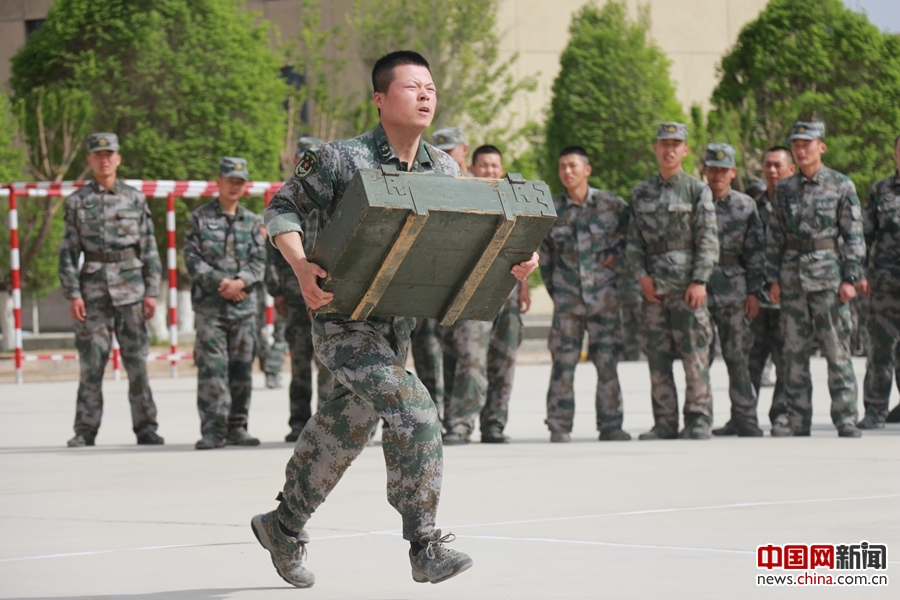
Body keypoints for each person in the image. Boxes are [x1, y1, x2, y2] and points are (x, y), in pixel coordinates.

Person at [254, 50, 539, 587]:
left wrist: (514, 260)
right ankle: (424, 543)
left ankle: (282, 524)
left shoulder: (444, 169)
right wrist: (298, 265)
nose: (426, 95)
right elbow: (280, 207)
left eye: (430, 86)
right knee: (416, 411)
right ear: (381, 99)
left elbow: (466, 241)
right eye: (413, 86)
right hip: (342, 322)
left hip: (395, 329)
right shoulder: (339, 159)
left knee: (342, 431)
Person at [59, 132, 164, 447]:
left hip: (131, 291)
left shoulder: (134, 198)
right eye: (98, 155)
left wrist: (151, 290)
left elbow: (148, 246)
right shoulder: (77, 202)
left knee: (137, 363)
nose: (104, 160)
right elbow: (67, 252)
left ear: (118, 158)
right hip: (93, 294)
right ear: (90, 160)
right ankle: (85, 430)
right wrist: (73, 293)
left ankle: (146, 427)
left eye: (110, 154)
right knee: (91, 365)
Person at [766, 122, 864, 438]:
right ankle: (797, 418)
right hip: (792, 279)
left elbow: (853, 235)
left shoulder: (841, 185)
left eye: (807, 143)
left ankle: (846, 416)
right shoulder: (784, 190)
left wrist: (851, 276)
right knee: (793, 353)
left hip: (829, 279)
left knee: (837, 351)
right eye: (796, 143)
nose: (801, 148)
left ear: (821, 146)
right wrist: (773, 278)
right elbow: (775, 237)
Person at [625, 122, 719, 440]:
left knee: (695, 357)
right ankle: (664, 422)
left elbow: (708, 238)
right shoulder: (641, 192)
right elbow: (634, 241)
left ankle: (699, 419)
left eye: (675, 144)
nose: (669, 149)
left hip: (686, 289)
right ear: (655, 148)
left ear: (685, 150)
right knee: (657, 359)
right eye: (663, 143)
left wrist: (700, 281)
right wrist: (641, 277)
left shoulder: (696, 190)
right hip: (654, 291)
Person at [539, 145, 630, 443]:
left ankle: (611, 424)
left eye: (573, 166)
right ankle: (559, 425)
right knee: (563, 365)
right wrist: (558, 291)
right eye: (562, 166)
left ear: (587, 170)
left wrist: (617, 256)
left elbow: (635, 235)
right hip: (568, 302)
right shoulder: (552, 210)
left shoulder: (611, 204)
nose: (567, 171)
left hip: (604, 298)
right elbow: (547, 256)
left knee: (607, 363)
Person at [184, 157, 267, 450]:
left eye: (240, 181)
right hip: (211, 308)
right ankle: (212, 430)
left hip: (244, 309)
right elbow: (192, 260)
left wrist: (241, 282)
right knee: (212, 370)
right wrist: (223, 283)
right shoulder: (200, 219)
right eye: (230, 179)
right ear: (218, 181)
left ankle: (237, 427)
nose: (234, 185)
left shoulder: (254, 222)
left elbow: (260, 260)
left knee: (242, 369)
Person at [267, 136, 335, 443]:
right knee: (299, 363)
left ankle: (325, 424)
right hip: (294, 297)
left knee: (328, 364)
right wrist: (277, 291)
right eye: (301, 158)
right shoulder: (289, 201)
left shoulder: (333, 199)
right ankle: (298, 423)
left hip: (326, 295)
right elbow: (272, 252)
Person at [701, 144, 766, 437]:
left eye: (723, 169)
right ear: (704, 170)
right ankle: (699, 418)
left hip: (735, 291)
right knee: (699, 358)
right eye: (712, 168)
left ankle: (745, 418)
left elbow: (755, 254)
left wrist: (754, 292)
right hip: (699, 288)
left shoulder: (745, 205)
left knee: (738, 356)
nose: (717, 174)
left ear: (733, 172)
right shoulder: (694, 202)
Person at [474, 145, 530, 443]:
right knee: (472, 362)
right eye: (484, 165)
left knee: (505, 360)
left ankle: (494, 424)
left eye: (495, 165)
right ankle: (459, 424)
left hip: (507, 293)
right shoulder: (465, 199)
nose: (490, 171)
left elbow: (526, 246)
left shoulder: (514, 200)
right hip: (473, 295)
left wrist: (524, 287)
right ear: (473, 169)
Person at [746, 147, 795, 427]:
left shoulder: (797, 203)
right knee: (751, 357)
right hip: (756, 295)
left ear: (790, 169)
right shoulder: (751, 205)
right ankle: (745, 416)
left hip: (789, 295)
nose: (772, 171)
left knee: (786, 358)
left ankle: (781, 414)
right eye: (768, 165)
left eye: (778, 166)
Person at [856, 134, 900, 429]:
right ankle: (874, 410)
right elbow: (864, 236)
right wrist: (858, 272)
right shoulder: (881, 189)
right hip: (886, 285)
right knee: (880, 348)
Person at [256, 223, 288, 389]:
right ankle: (272, 370)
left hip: (287, 290)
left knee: (280, 335)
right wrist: (277, 291)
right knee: (280, 335)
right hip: (288, 293)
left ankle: (270, 369)